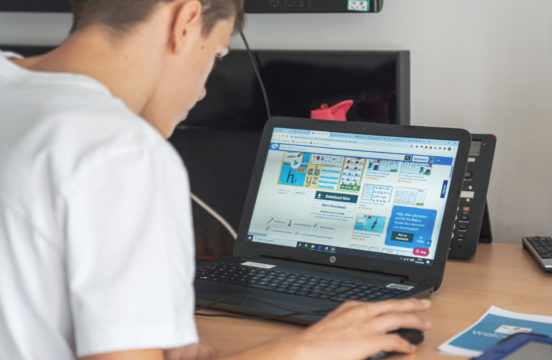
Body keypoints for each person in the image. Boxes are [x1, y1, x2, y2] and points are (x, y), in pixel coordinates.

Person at [0, 0, 432, 359]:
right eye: (217, 54)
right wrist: (309, 348)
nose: (204, 90)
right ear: (185, 20)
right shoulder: (124, 151)